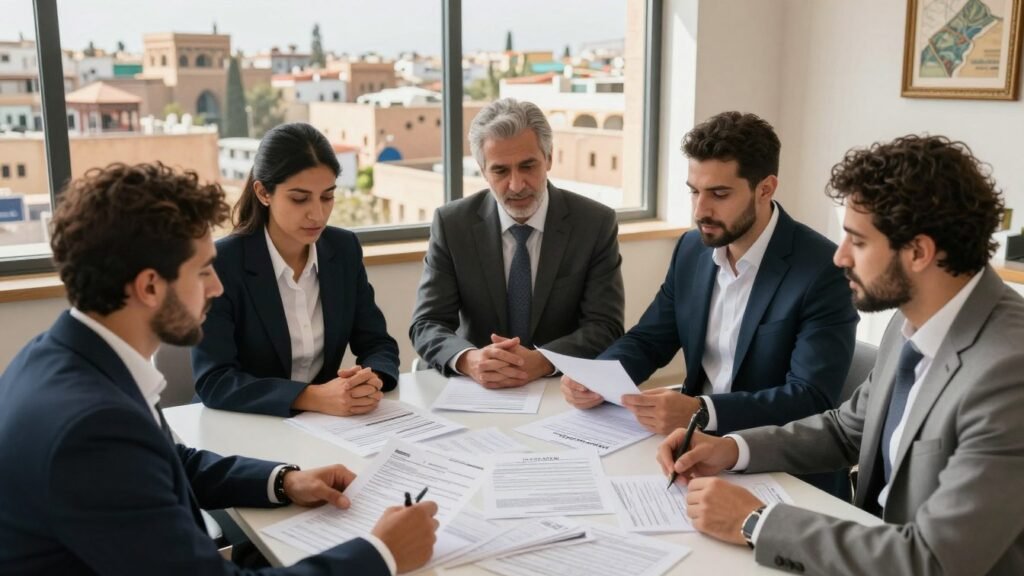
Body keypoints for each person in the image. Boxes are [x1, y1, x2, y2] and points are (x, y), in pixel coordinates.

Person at [0, 162, 438, 576]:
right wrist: (381, 554)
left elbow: (170, 463)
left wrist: (283, 480)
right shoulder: (92, 427)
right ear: (150, 286)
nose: (217, 287)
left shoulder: (63, 355)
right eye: (204, 270)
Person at [659, 135, 1024, 576]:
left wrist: (757, 523)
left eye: (857, 241)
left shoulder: (1009, 372)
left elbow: (933, 563)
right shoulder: (912, 321)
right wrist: (729, 449)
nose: (839, 256)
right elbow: (845, 428)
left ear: (919, 252)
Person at [562, 112, 857, 495]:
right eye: (694, 191)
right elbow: (650, 339)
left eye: (719, 194)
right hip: (694, 453)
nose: (700, 210)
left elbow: (811, 397)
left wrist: (704, 410)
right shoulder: (691, 250)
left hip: (783, 471)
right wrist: (598, 378)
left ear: (765, 189)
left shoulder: (822, 269)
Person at [410, 98, 624, 388]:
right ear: (483, 170)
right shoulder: (452, 224)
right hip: (475, 388)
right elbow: (427, 323)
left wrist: (545, 360)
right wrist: (468, 359)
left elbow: (605, 326)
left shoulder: (594, 223)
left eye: (528, 166)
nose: (516, 184)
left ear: (549, 158)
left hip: (559, 387)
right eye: (500, 171)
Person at [192, 123, 400, 417]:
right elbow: (215, 381)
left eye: (327, 197)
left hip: (324, 425)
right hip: (241, 425)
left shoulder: (344, 249)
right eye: (299, 198)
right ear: (264, 192)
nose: (317, 214)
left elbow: (378, 343)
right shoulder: (223, 262)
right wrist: (312, 397)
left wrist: (370, 380)